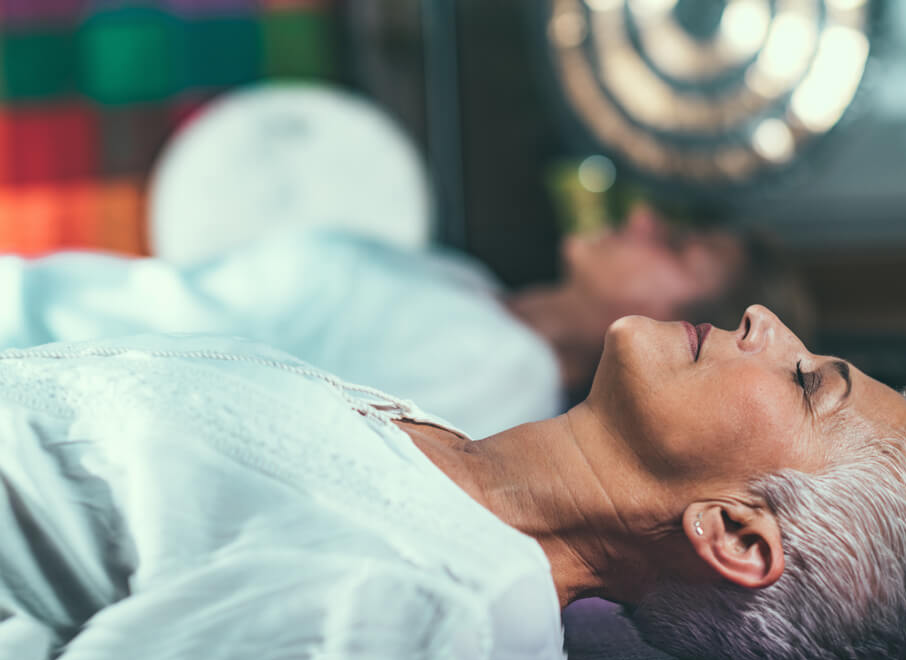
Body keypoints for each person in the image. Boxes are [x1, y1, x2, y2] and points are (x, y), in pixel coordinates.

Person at [0, 305, 906, 660]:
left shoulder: (420, 611)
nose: (765, 320)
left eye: (807, 383)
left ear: (734, 534)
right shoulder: (430, 455)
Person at [0, 204, 809, 438]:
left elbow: (253, 427)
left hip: (35, 379)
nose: (639, 217)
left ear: (684, 327)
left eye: (672, 242)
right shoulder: (470, 282)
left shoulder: (502, 375)